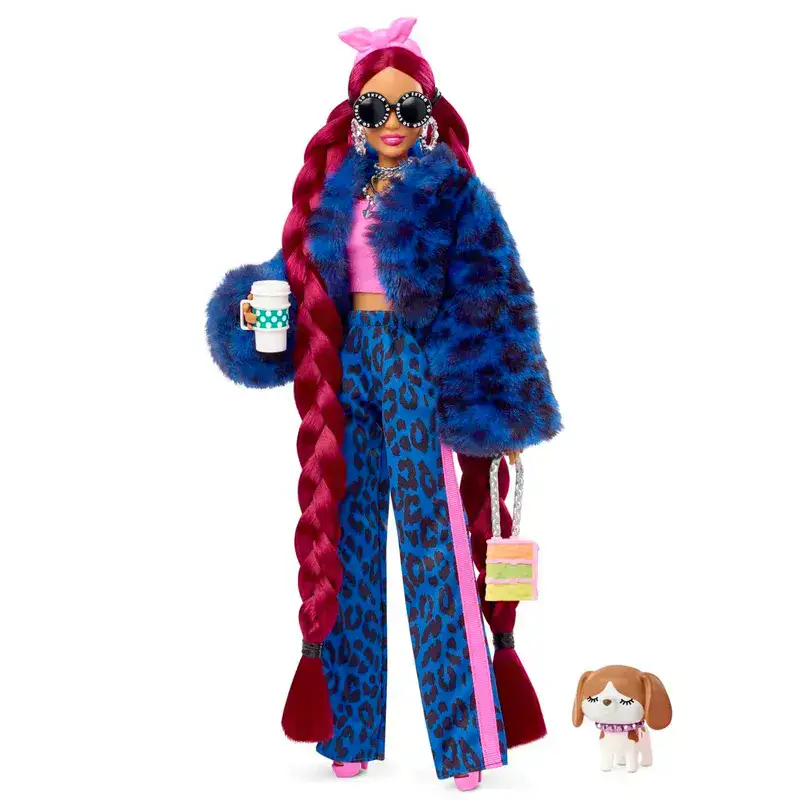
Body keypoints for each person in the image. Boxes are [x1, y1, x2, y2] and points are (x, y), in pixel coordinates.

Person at [206, 17, 561, 791]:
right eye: (374, 108)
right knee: (346, 539)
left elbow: (495, 295)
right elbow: (296, 278)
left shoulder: (453, 194)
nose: (392, 122)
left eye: (408, 107)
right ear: (353, 115)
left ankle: (464, 744)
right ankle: (349, 730)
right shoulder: (332, 194)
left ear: (429, 111)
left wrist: (502, 409)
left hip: (414, 365)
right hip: (344, 368)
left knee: (435, 546)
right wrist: (256, 315)